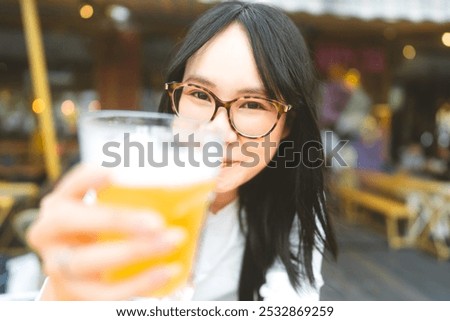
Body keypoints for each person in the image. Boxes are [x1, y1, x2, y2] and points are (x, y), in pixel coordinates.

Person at [27, 1, 337, 301]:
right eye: (200, 94)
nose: (220, 134)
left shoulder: (295, 202)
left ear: (287, 125)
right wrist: (62, 296)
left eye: (253, 104)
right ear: (175, 99)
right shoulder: (119, 189)